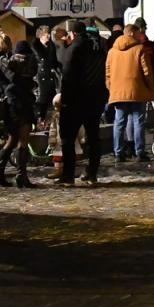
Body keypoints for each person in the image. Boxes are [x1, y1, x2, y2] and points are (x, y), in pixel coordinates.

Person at [54, 18, 106, 185]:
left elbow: (67, 74)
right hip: (96, 98)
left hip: (76, 100)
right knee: (93, 137)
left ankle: (68, 175)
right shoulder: (98, 47)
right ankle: (92, 173)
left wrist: (65, 99)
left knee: (68, 137)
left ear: (73, 33)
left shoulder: (74, 48)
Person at [106, 23, 154, 167]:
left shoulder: (112, 51)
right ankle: (139, 152)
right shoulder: (140, 49)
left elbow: (108, 72)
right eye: (138, 33)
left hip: (118, 92)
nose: (140, 35)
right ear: (132, 34)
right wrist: (151, 89)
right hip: (137, 91)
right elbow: (147, 72)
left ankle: (118, 153)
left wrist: (112, 88)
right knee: (138, 121)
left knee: (119, 123)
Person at [0, 40, 39, 188]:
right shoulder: (18, 62)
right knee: (23, 139)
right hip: (21, 103)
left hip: (9, 104)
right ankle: (21, 176)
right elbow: (20, 80)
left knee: (12, 139)